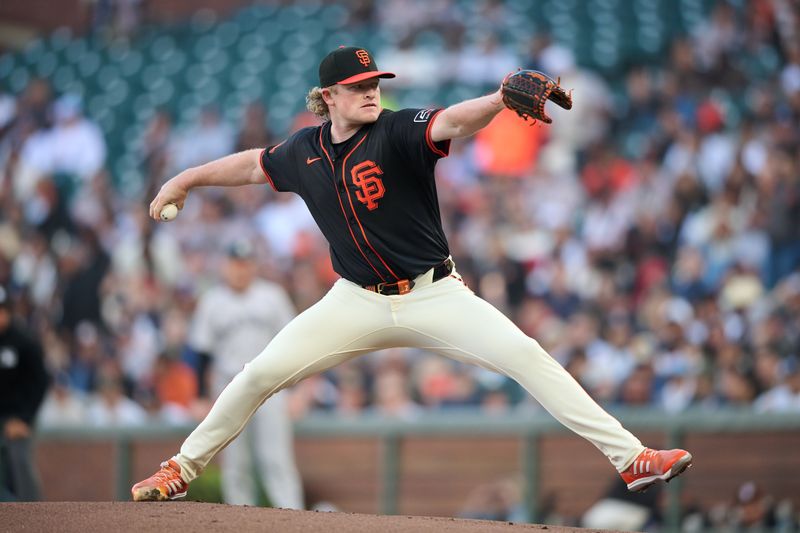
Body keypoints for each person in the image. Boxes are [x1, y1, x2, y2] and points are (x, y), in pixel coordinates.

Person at [132, 46, 693, 502]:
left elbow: (451, 118)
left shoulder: (397, 130)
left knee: (527, 355)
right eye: (358, 84)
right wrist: (185, 179)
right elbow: (251, 164)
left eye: (374, 79)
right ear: (328, 97)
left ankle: (631, 458)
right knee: (257, 374)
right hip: (354, 301)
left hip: (433, 294)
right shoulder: (303, 150)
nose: (371, 89)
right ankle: (181, 468)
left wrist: (499, 98)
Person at [188, 239, 304, 509]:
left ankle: (294, 519)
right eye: (235, 264)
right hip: (228, 385)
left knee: (276, 459)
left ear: (254, 266)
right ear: (225, 266)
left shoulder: (272, 296)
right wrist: (199, 397)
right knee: (235, 462)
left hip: (269, 386)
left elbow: (296, 342)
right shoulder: (212, 301)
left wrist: (299, 391)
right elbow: (201, 355)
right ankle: (239, 522)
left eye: (245, 264)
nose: (240, 270)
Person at [0, 286, 50, 501]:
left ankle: (32, 516)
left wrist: (24, 419)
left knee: (20, 461)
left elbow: (40, 382)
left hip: (18, 416)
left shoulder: (24, 341)